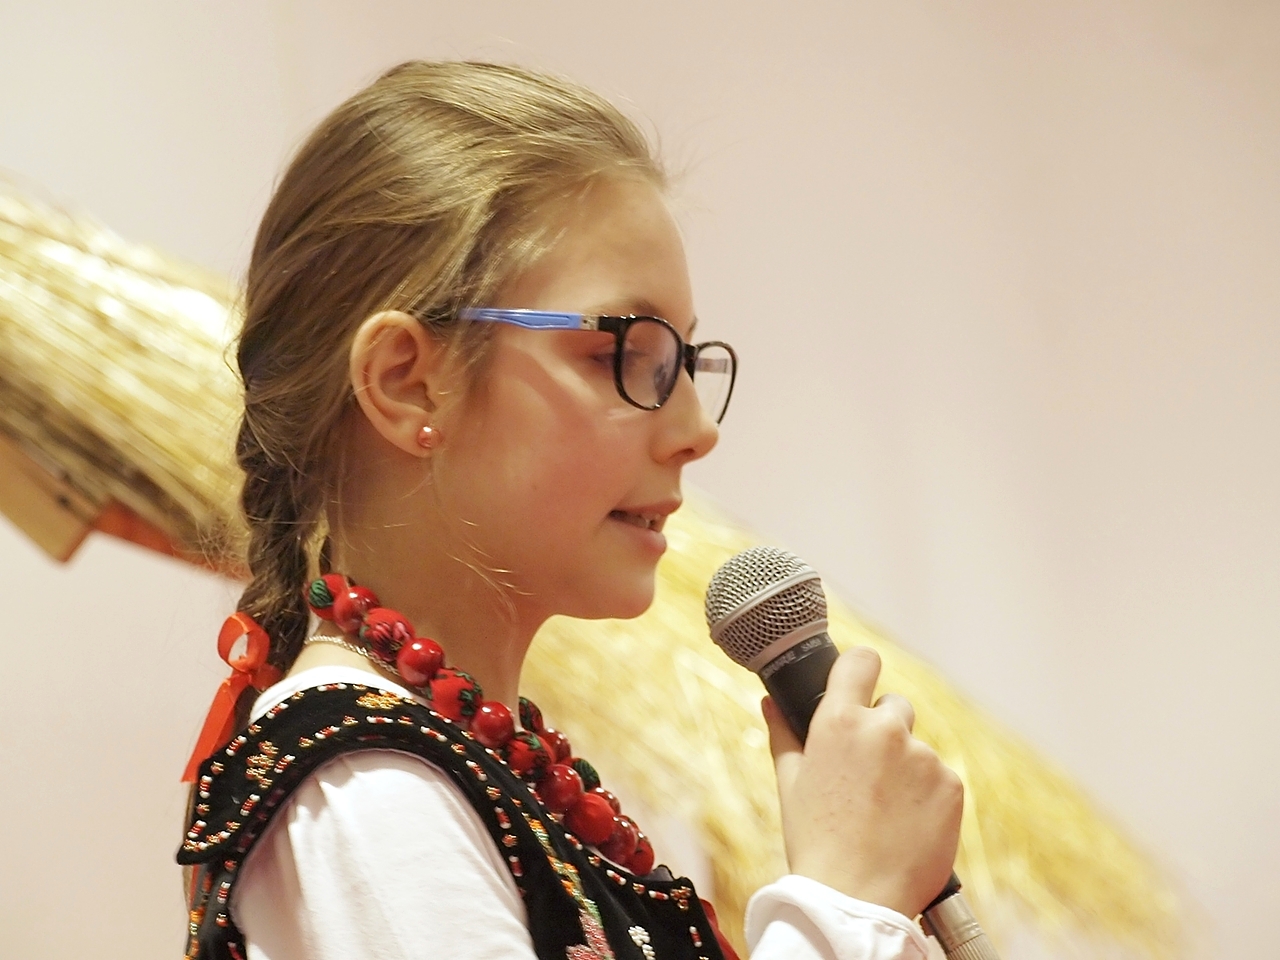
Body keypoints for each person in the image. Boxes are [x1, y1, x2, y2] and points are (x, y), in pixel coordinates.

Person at [177, 60, 963, 960]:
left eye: (686, 361)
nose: (696, 430)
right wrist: (846, 902)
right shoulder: (366, 792)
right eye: (623, 354)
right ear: (406, 382)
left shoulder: (474, 765)